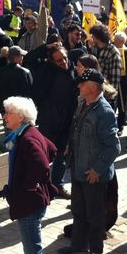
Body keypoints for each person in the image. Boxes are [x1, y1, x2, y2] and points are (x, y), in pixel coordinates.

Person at [58, 69, 120, 254]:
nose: (78, 86)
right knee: (78, 209)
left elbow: (114, 147)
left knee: (95, 214)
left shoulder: (104, 112)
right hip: (78, 166)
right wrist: (70, 144)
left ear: (93, 88)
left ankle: (95, 250)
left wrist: (97, 169)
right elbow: (76, 128)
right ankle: (78, 244)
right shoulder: (82, 102)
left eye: (82, 84)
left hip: (93, 173)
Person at [2, 96, 56, 254]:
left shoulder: (28, 138)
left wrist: (26, 186)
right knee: (30, 248)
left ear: (20, 117)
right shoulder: (27, 133)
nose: (4, 116)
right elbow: (52, 149)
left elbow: (42, 164)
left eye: (7, 113)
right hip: (31, 200)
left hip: (30, 202)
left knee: (33, 251)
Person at [31, 45, 78, 199]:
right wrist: (45, 47)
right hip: (49, 121)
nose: (63, 62)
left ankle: (58, 185)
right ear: (52, 61)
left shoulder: (74, 70)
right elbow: (29, 59)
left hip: (66, 122)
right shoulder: (47, 72)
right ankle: (40, 185)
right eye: (58, 60)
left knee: (61, 155)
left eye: (64, 58)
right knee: (43, 154)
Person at [0, 46, 33, 115]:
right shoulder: (25, 72)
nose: (23, 57)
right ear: (16, 58)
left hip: (5, 108)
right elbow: (30, 92)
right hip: (21, 109)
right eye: (21, 56)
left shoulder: (0, 72)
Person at [89, 24, 122, 92]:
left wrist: (111, 93)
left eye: (93, 35)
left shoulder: (113, 52)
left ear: (98, 37)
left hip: (105, 92)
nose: (91, 37)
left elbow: (115, 77)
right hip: (93, 89)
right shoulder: (94, 48)